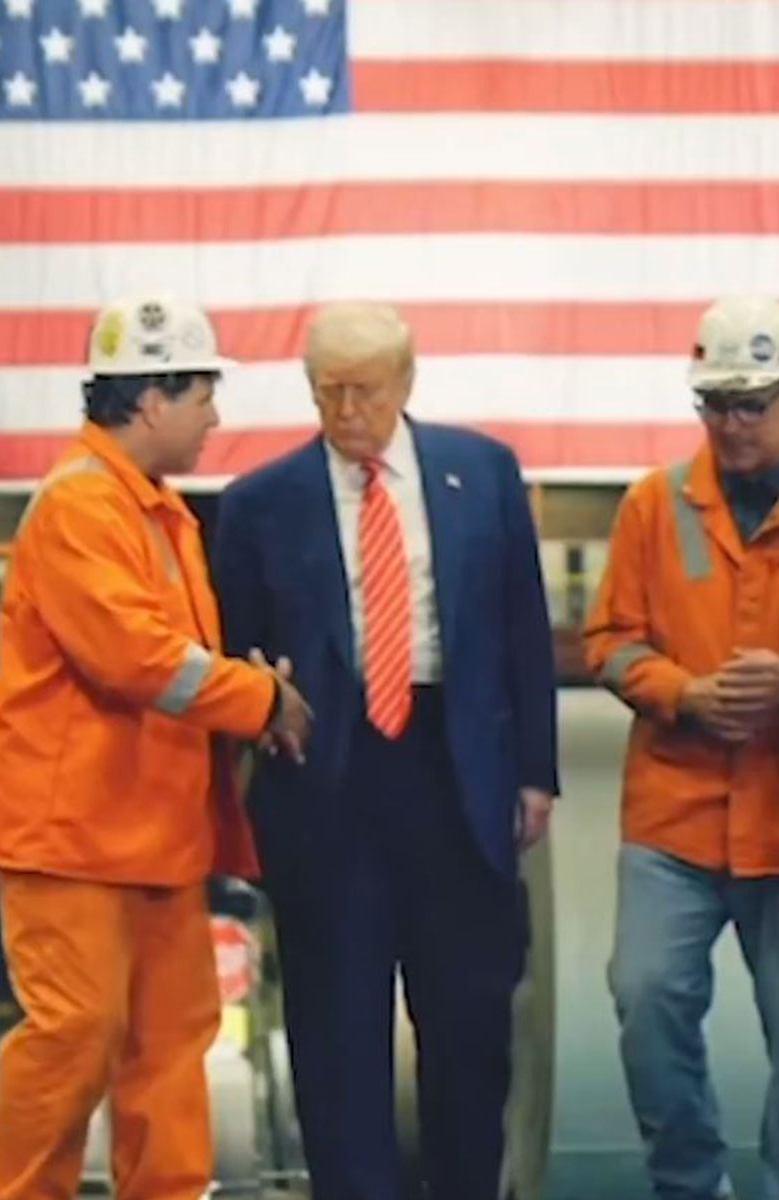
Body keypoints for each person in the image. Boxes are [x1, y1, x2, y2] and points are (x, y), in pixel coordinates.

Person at [211, 301, 559, 1200]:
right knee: (338, 1041)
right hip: (328, 783)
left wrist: (535, 772)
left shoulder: (482, 473)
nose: (346, 410)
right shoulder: (257, 506)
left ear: (406, 382)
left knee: (469, 1030)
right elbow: (238, 659)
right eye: (326, 391)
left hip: (458, 776)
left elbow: (525, 627)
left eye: (364, 390)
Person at [0, 293, 310, 1200]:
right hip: (74, 838)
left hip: (155, 835)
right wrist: (263, 696)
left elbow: (173, 667)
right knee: (75, 1037)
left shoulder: (153, 513)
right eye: (203, 393)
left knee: (171, 1044)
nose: (214, 416)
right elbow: (142, 662)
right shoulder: (83, 507)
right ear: (153, 398)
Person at [581, 296, 779, 1200]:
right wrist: (684, 694)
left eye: (751, 403)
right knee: (645, 1000)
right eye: (715, 404)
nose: (733, 424)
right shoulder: (652, 505)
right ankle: (691, 1185)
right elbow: (610, 641)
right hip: (678, 819)